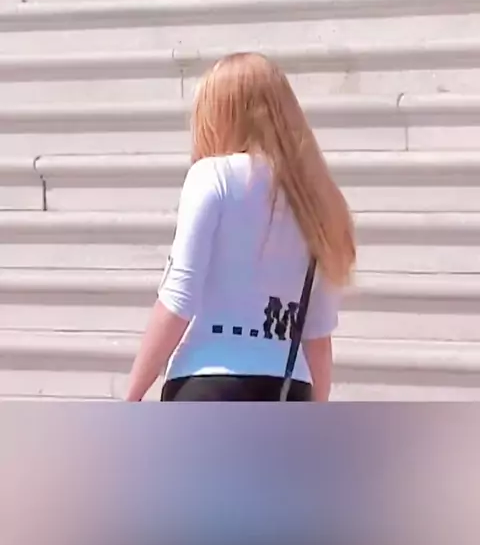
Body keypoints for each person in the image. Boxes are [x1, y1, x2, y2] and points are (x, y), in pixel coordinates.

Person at [125, 52, 355, 402]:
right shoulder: (317, 199)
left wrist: (132, 396)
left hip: (209, 380)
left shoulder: (212, 176)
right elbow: (317, 336)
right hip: (289, 387)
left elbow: (178, 299)